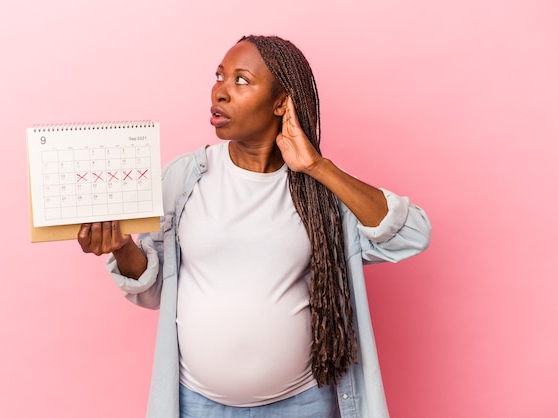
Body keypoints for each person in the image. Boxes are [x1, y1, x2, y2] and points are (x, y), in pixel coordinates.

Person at [78, 35, 431, 418]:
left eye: (241, 80)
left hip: (304, 403)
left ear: (281, 102)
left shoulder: (318, 192)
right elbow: (153, 291)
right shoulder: (185, 179)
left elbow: (411, 234)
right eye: (219, 76)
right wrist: (121, 247)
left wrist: (318, 167)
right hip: (197, 404)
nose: (220, 92)